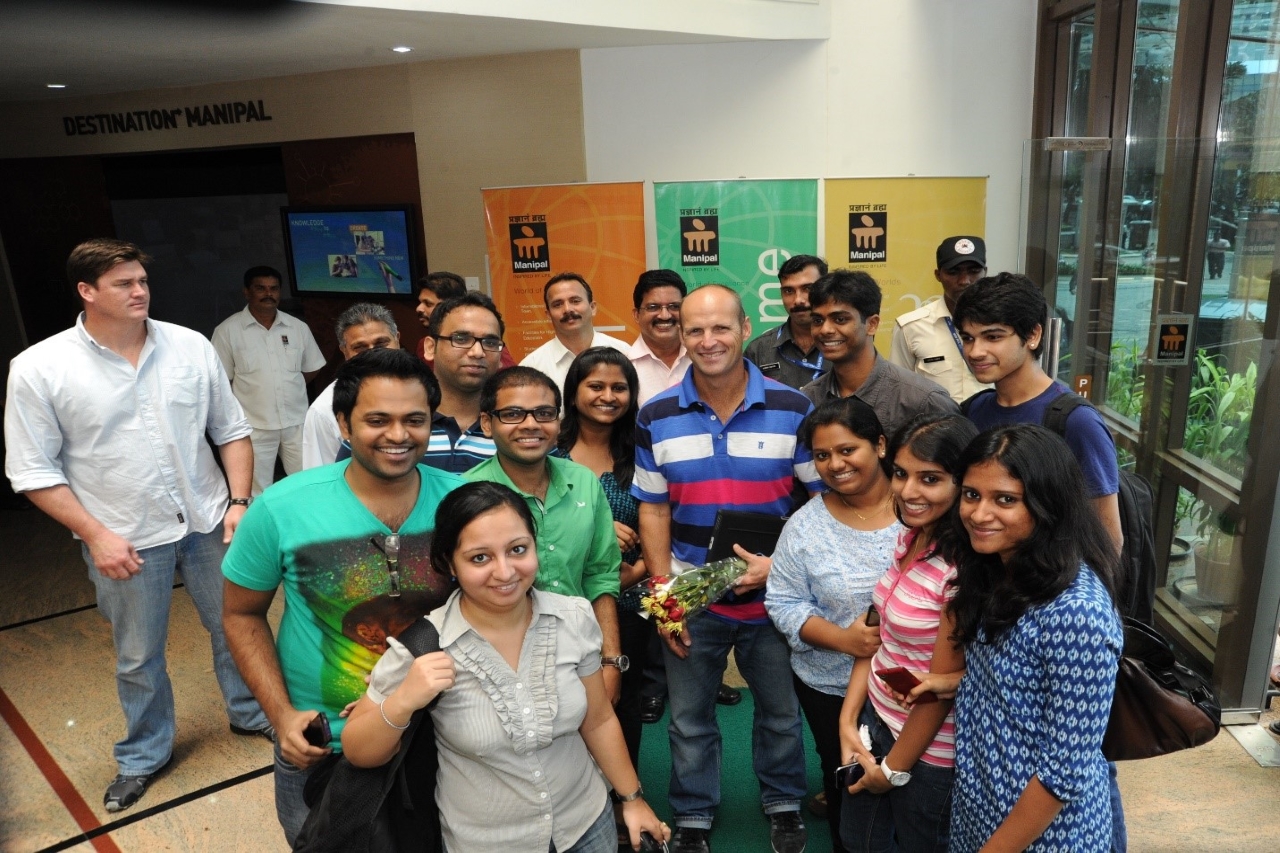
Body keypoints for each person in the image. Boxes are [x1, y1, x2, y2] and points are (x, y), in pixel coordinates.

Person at [4, 238, 269, 812]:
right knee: (138, 655)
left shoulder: (190, 346)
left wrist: (239, 501)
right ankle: (144, 756)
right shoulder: (39, 369)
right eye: (123, 283)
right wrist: (96, 535)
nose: (139, 291)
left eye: (142, 281)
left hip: (207, 520)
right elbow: (31, 472)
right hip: (123, 536)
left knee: (237, 626)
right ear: (86, 291)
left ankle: (252, 714)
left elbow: (231, 430)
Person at [341, 481, 671, 852]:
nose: (505, 572)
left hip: (585, 826)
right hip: (485, 842)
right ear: (449, 563)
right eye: (480, 558)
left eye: (517, 549)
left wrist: (632, 798)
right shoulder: (423, 646)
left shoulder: (573, 617)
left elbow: (598, 720)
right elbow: (359, 751)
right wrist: (403, 700)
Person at [221, 348, 464, 844]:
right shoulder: (282, 507)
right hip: (322, 743)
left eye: (414, 420)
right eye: (378, 420)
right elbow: (241, 615)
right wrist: (282, 717)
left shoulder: (463, 502)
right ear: (343, 424)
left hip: (444, 735)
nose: (398, 435)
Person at [634, 284, 822, 853]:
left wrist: (780, 567)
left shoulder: (795, 408)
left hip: (774, 594)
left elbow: (822, 503)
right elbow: (653, 508)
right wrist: (665, 597)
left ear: (744, 329)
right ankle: (693, 812)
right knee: (688, 719)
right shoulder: (656, 414)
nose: (708, 340)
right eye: (694, 330)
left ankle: (783, 803)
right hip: (691, 593)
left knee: (781, 713)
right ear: (681, 335)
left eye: (720, 327)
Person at [947, 424, 1123, 852]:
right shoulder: (999, 567)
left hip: (1046, 836)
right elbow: (1018, 691)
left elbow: (1064, 772)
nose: (979, 514)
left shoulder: (1077, 613)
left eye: (1005, 499)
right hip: (981, 809)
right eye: (971, 494)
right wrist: (948, 682)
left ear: (1049, 504)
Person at [765, 396, 903, 853]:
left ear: (879, 444)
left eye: (847, 450)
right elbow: (783, 602)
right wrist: (845, 640)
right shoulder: (805, 526)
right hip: (829, 685)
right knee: (847, 782)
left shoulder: (919, 507)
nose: (835, 464)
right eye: (822, 455)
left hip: (915, 687)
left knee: (916, 788)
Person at [836, 413, 977, 853]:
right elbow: (876, 637)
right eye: (900, 473)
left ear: (963, 484)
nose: (908, 491)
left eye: (929, 479)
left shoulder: (962, 570)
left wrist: (893, 769)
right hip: (876, 720)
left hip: (928, 752)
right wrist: (848, 719)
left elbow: (938, 691)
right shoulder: (911, 537)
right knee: (858, 841)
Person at [465, 366, 625, 703]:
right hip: (500, 665)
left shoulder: (584, 482)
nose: (531, 424)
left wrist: (611, 660)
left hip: (583, 655)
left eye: (544, 413)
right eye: (513, 414)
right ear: (487, 423)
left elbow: (601, 575)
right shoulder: (466, 494)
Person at [952, 273, 1123, 555]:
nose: (975, 351)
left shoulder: (1075, 421)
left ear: (1033, 335)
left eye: (993, 337)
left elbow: (1108, 540)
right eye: (968, 338)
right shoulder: (973, 409)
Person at [554, 347, 650, 777]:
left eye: (619, 388)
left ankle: (624, 794)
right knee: (562, 704)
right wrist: (596, 524)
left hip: (627, 602)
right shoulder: (548, 452)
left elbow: (663, 523)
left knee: (621, 701)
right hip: (559, 602)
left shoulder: (643, 454)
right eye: (596, 386)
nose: (608, 396)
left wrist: (638, 572)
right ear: (573, 393)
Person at [800, 270, 958, 444]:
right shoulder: (807, 399)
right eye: (817, 321)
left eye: (840, 319)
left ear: (872, 324)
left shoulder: (923, 400)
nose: (825, 330)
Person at [212, 265, 326, 495]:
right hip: (254, 426)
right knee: (257, 490)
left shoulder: (297, 328)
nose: (268, 294)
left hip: (296, 422)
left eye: (274, 288)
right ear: (246, 292)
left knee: (309, 483)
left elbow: (311, 368)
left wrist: (286, 387)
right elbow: (221, 381)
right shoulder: (228, 331)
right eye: (261, 288)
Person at [888, 236, 989, 403]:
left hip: (992, 420)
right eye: (953, 272)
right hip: (935, 420)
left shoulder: (1005, 324)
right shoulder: (911, 326)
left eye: (973, 271)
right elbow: (897, 392)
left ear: (985, 272)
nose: (964, 281)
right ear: (938, 275)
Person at [301, 302, 401, 469]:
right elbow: (321, 476)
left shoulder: (424, 390)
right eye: (360, 347)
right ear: (344, 351)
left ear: (397, 339)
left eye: (381, 343)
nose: (373, 353)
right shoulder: (325, 411)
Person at [418, 291, 506, 472]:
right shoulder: (400, 425)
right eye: (461, 339)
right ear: (430, 347)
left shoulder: (520, 427)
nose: (477, 352)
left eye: (490, 343)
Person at [520, 272, 629, 394]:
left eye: (575, 301)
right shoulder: (531, 367)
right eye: (557, 304)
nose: (567, 309)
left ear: (592, 308)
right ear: (548, 315)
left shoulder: (624, 353)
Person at [744, 254, 831, 390]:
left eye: (807, 289)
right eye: (789, 291)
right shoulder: (759, 350)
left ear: (826, 289)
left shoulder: (844, 344)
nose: (798, 300)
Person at [628, 268, 691, 406]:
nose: (665, 315)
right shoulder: (624, 365)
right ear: (637, 315)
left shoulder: (702, 356)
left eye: (674, 306)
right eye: (653, 307)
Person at [414, 270, 467, 362]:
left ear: (450, 306)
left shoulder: (478, 345)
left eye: (428, 303)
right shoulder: (425, 345)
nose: (418, 308)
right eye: (420, 302)